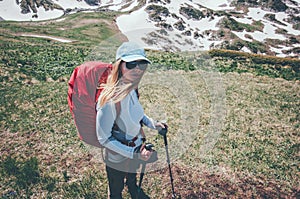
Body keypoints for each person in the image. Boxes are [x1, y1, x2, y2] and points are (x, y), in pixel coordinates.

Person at [96, 41, 165, 199]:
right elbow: (104, 138)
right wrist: (133, 153)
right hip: (117, 156)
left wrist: (154, 124)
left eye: (141, 65)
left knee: (132, 176)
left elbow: (137, 115)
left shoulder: (132, 89)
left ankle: (133, 188)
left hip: (136, 147)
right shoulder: (108, 100)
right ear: (119, 65)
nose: (137, 69)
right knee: (116, 189)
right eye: (131, 64)